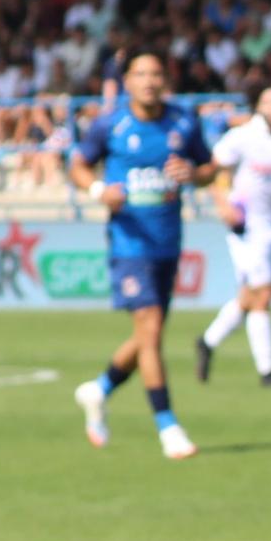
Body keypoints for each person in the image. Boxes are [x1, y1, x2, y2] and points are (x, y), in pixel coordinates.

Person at [64, 51, 206, 461]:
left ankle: (99, 390)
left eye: (156, 73)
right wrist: (97, 191)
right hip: (129, 244)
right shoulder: (111, 124)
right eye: (140, 74)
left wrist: (194, 175)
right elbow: (78, 166)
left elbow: (210, 166)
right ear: (127, 82)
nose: (148, 80)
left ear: (165, 79)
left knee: (149, 336)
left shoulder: (182, 121)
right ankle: (168, 426)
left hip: (168, 241)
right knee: (150, 327)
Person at [194, 79, 271, 390]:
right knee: (263, 295)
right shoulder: (242, 137)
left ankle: (207, 341)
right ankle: (267, 372)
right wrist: (222, 205)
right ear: (258, 105)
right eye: (268, 102)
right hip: (247, 226)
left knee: (249, 297)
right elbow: (215, 171)